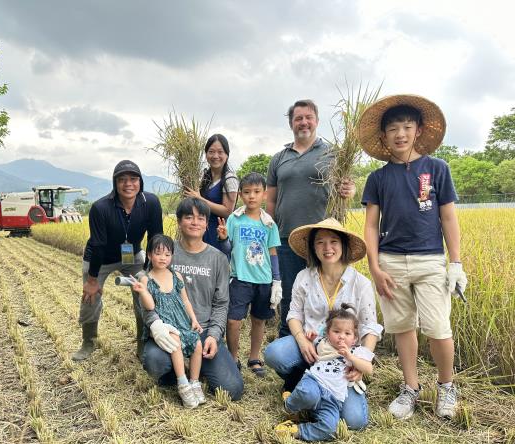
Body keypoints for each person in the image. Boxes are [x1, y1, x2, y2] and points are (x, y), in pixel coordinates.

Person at [359, 94, 467, 420]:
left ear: (418, 130)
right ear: (384, 136)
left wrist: (456, 262)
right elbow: (370, 226)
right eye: (393, 128)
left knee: (438, 328)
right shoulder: (378, 179)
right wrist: (375, 268)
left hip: (430, 260)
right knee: (402, 328)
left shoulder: (437, 168)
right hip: (391, 262)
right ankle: (411, 388)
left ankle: (446, 386)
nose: (400, 134)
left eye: (406, 127)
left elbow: (448, 218)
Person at [263, 218, 382, 430]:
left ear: (344, 245)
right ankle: (306, 382)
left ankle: (312, 395)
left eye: (334, 241)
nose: (327, 248)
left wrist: (359, 362)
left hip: (342, 358)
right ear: (313, 247)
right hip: (310, 347)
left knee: (355, 421)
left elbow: (370, 328)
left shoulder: (360, 284)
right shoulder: (304, 277)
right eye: (320, 242)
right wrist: (301, 341)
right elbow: (293, 315)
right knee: (274, 354)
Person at [266, 99, 356, 337]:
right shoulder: (279, 158)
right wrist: (271, 234)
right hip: (287, 239)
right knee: (290, 297)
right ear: (291, 124)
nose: (303, 122)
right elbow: (271, 201)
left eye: (308, 117)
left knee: (327, 295)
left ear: (316, 120)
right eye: (298, 118)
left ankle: (330, 351)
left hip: (324, 240)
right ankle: (290, 352)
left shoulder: (334, 154)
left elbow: (347, 188)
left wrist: (350, 190)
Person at [141, 197, 244, 400]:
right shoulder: (165, 252)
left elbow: (222, 303)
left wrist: (214, 335)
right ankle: (177, 373)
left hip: (202, 330)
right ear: (179, 222)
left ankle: (198, 366)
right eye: (189, 217)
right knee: (155, 362)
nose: (195, 222)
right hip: (170, 329)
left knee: (233, 390)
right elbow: (146, 291)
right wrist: (155, 326)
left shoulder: (218, 259)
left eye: (200, 218)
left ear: (207, 224)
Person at [74, 160, 163, 361]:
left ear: (141, 182)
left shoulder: (151, 203)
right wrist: (91, 280)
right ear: (115, 183)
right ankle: (89, 341)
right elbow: (98, 245)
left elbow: (156, 237)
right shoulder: (100, 208)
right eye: (122, 180)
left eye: (133, 179)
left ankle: (143, 342)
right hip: (100, 258)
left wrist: (150, 271)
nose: (128, 184)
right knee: (91, 297)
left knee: (144, 293)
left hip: (131, 257)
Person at [275, 305, 374, 441]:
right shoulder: (323, 343)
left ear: (355, 338)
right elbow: (310, 344)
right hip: (315, 382)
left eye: (347, 333)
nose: (341, 337)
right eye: (336, 331)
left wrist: (350, 358)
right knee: (307, 393)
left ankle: (296, 431)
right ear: (327, 333)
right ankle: (289, 405)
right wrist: (309, 338)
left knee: (330, 429)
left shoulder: (356, 351)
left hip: (334, 398)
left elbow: (369, 368)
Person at [216, 172, 282, 376]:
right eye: (246, 192)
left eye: (256, 191)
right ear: (241, 196)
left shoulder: (269, 223)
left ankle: (254, 357)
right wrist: (223, 239)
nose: (251, 196)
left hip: (263, 279)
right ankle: (232, 358)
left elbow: (272, 252)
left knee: (259, 319)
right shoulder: (234, 219)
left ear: (264, 194)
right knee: (234, 320)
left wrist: (276, 280)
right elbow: (227, 249)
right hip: (240, 278)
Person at [132, 234, 205, 408]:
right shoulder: (146, 279)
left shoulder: (176, 275)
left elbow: (186, 300)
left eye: (167, 254)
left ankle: (194, 382)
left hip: (182, 320)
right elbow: (149, 307)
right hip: (164, 325)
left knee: (197, 344)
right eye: (158, 253)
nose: (163, 258)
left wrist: (194, 320)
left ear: (172, 256)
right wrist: (142, 292)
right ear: (149, 255)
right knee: (175, 341)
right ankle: (183, 383)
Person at [183, 134, 238, 252]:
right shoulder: (205, 177)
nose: (215, 156)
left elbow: (228, 211)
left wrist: (199, 199)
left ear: (227, 155)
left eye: (220, 152)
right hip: (201, 232)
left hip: (218, 234)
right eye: (211, 152)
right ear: (206, 154)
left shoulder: (230, 179)